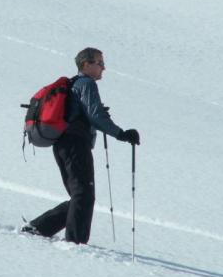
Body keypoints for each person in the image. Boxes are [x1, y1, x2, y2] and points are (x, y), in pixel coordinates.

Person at [21, 47, 140, 244]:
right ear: (86, 64)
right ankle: (75, 244)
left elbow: (88, 113)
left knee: (80, 196)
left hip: (62, 145)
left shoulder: (74, 84)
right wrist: (122, 134)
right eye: (100, 63)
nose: (103, 68)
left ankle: (39, 227)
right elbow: (95, 116)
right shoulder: (86, 84)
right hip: (75, 144)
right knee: (83, 195)